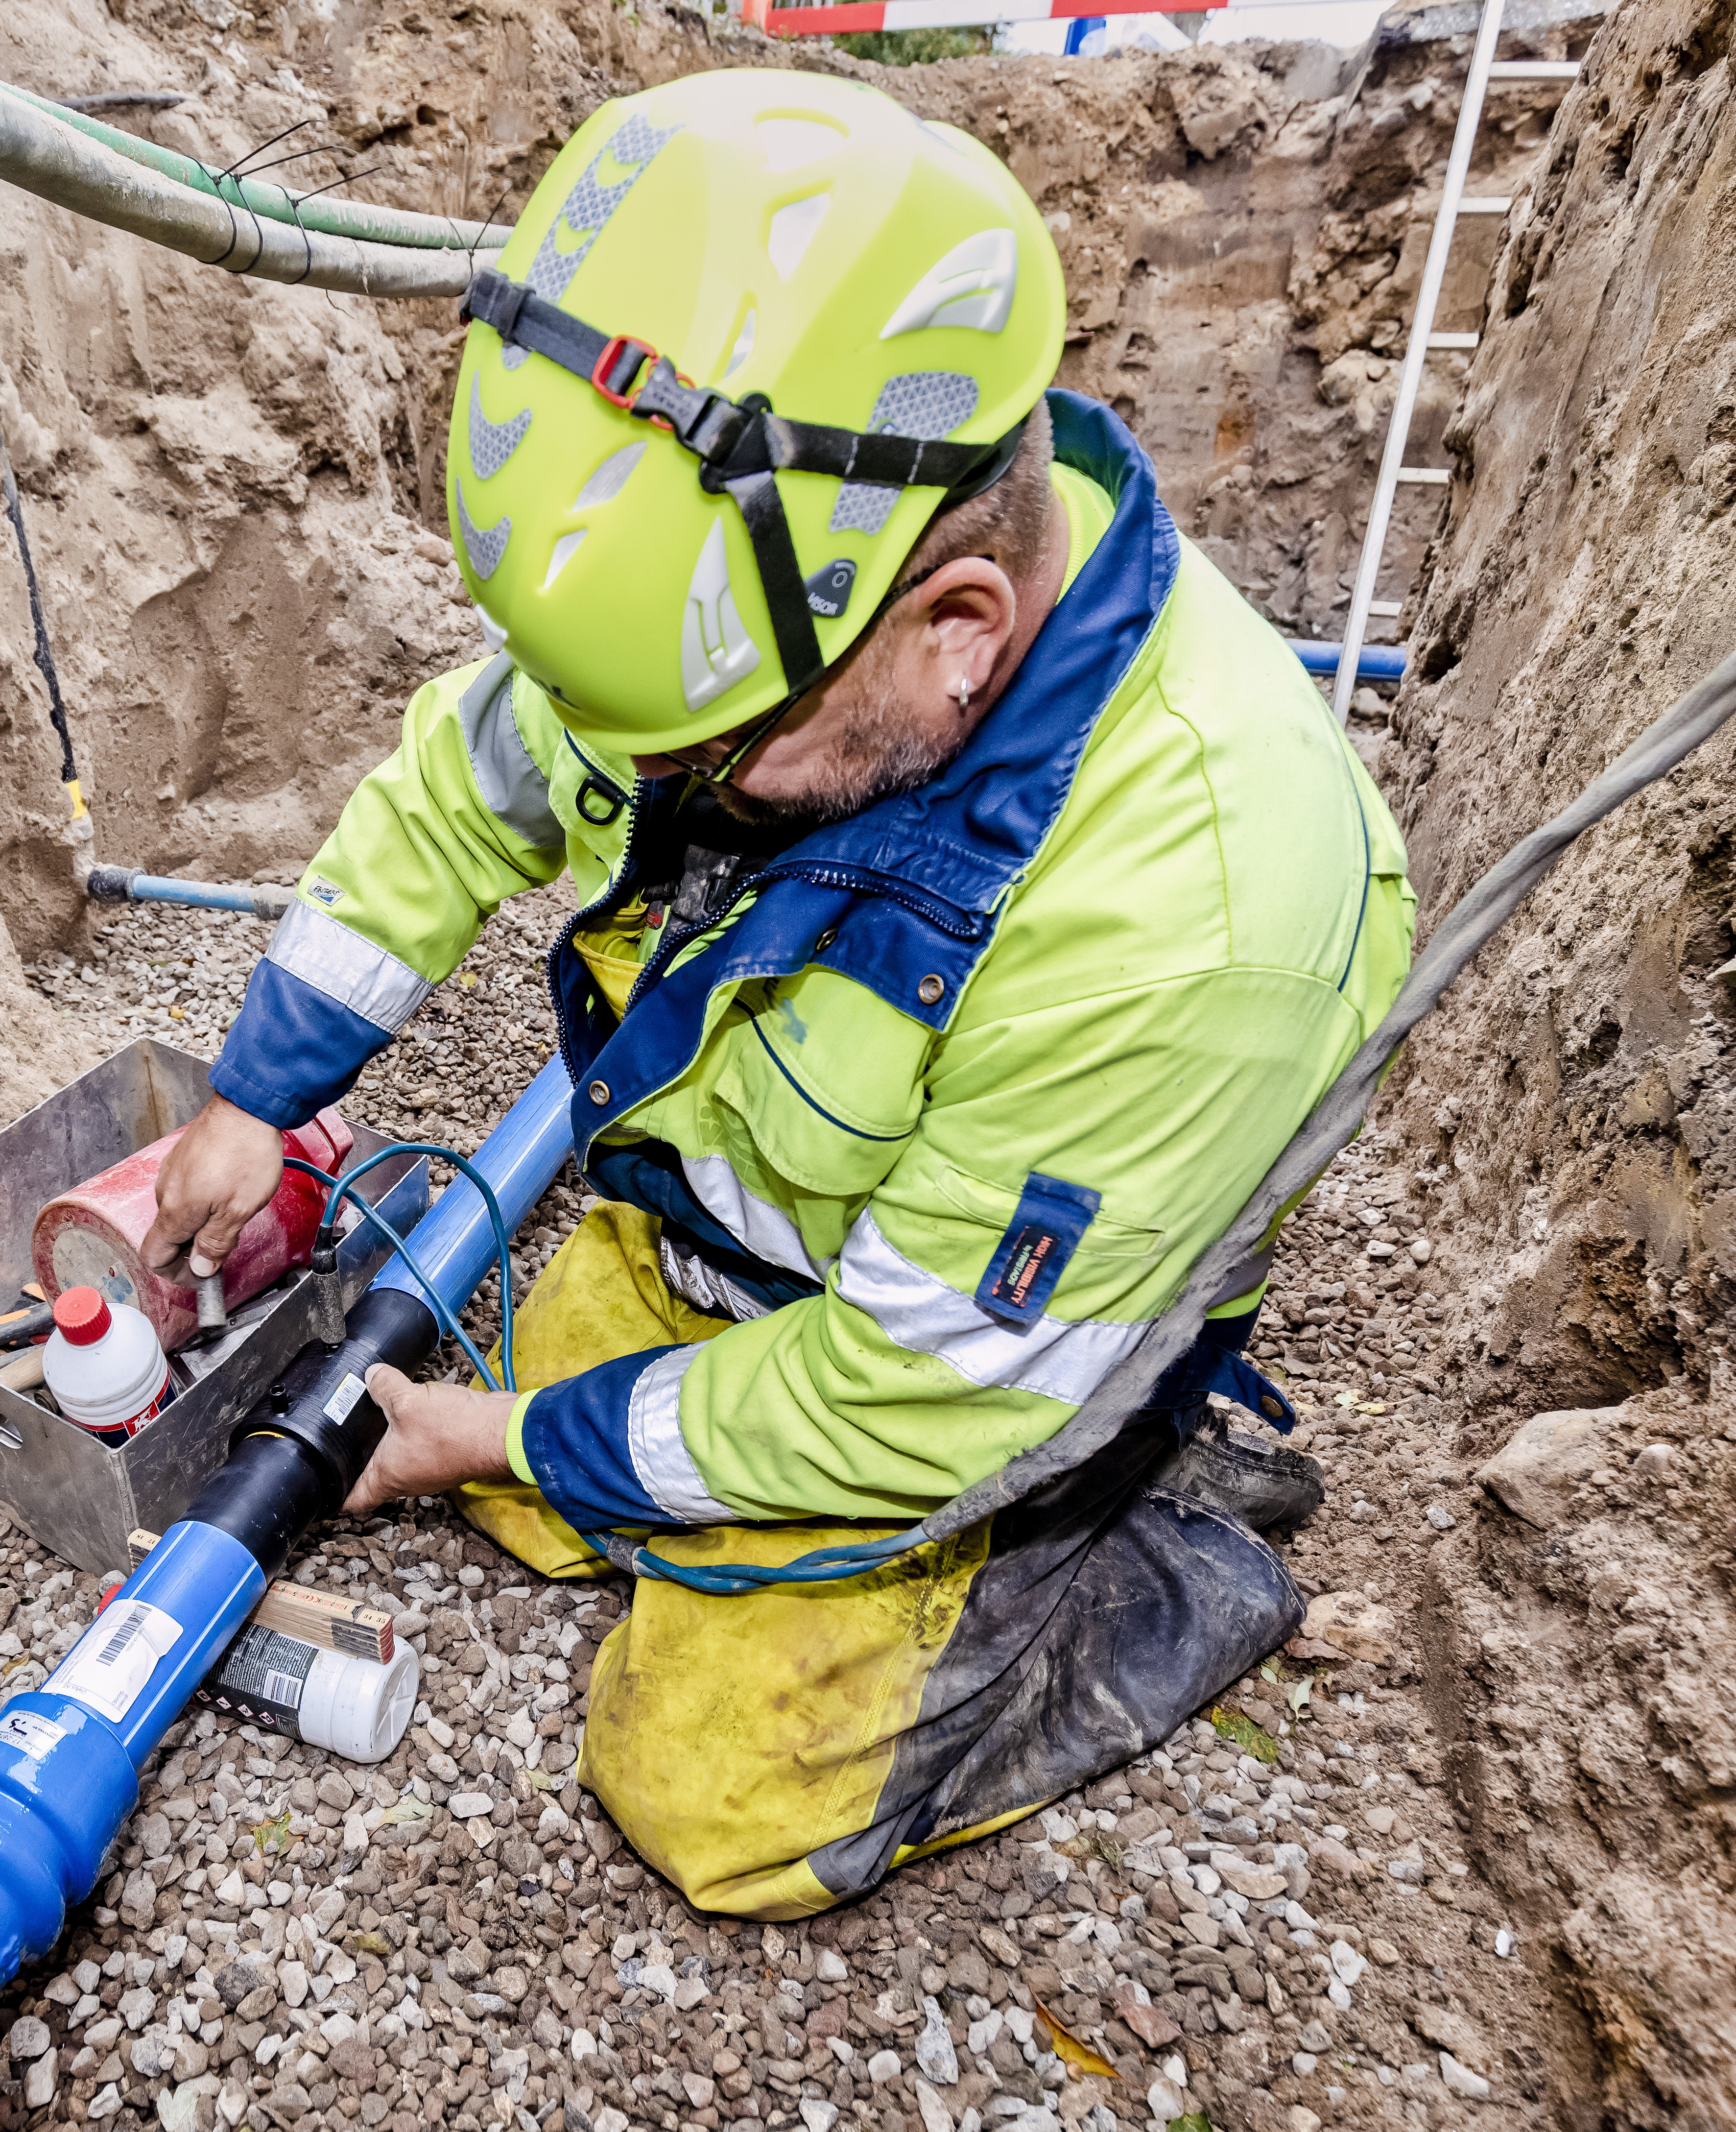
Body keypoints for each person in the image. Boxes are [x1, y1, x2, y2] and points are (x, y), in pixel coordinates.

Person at [139, 70, 1414, 1919]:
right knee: (539, 1474)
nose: (640, 775)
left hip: (942, 1355)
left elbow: (901, 1392)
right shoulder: (750, 622)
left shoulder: (1191, 918)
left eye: (704, 755)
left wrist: (501, 1431)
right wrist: (260, 1093)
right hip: (775, 1248)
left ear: (957, 632)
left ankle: (1141, 1543)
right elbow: (462, 789)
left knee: (716, 1794)